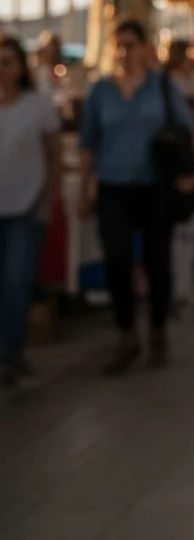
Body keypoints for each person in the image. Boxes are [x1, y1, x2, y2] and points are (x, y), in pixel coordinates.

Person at [79, 20, 194, 374]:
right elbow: (88, 143)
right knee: (117, 260)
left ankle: (157, 330)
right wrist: (86, 185)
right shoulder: (100, 91)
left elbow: (188, 130)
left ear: (145, 47)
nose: (123, 52)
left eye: (130, 44)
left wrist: (192, 172)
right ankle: (127, 333)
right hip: (113, 186)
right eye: (118, 45)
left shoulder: (161, 87)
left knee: (157, 262)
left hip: (154, 186)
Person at [0, 35, 61, 387]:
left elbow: (53, 154)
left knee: (16, 280)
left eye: (8, 61)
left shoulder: (37, 107)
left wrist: (50, 198)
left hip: (25, 205)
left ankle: (12, 350)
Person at [163, 40, 194, 317]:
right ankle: (177, 291)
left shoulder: (189, 85)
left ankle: (182, 291)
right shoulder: (170, 87)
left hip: (189, 163)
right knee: (177, 231)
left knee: (187, 229)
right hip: (177, 163)